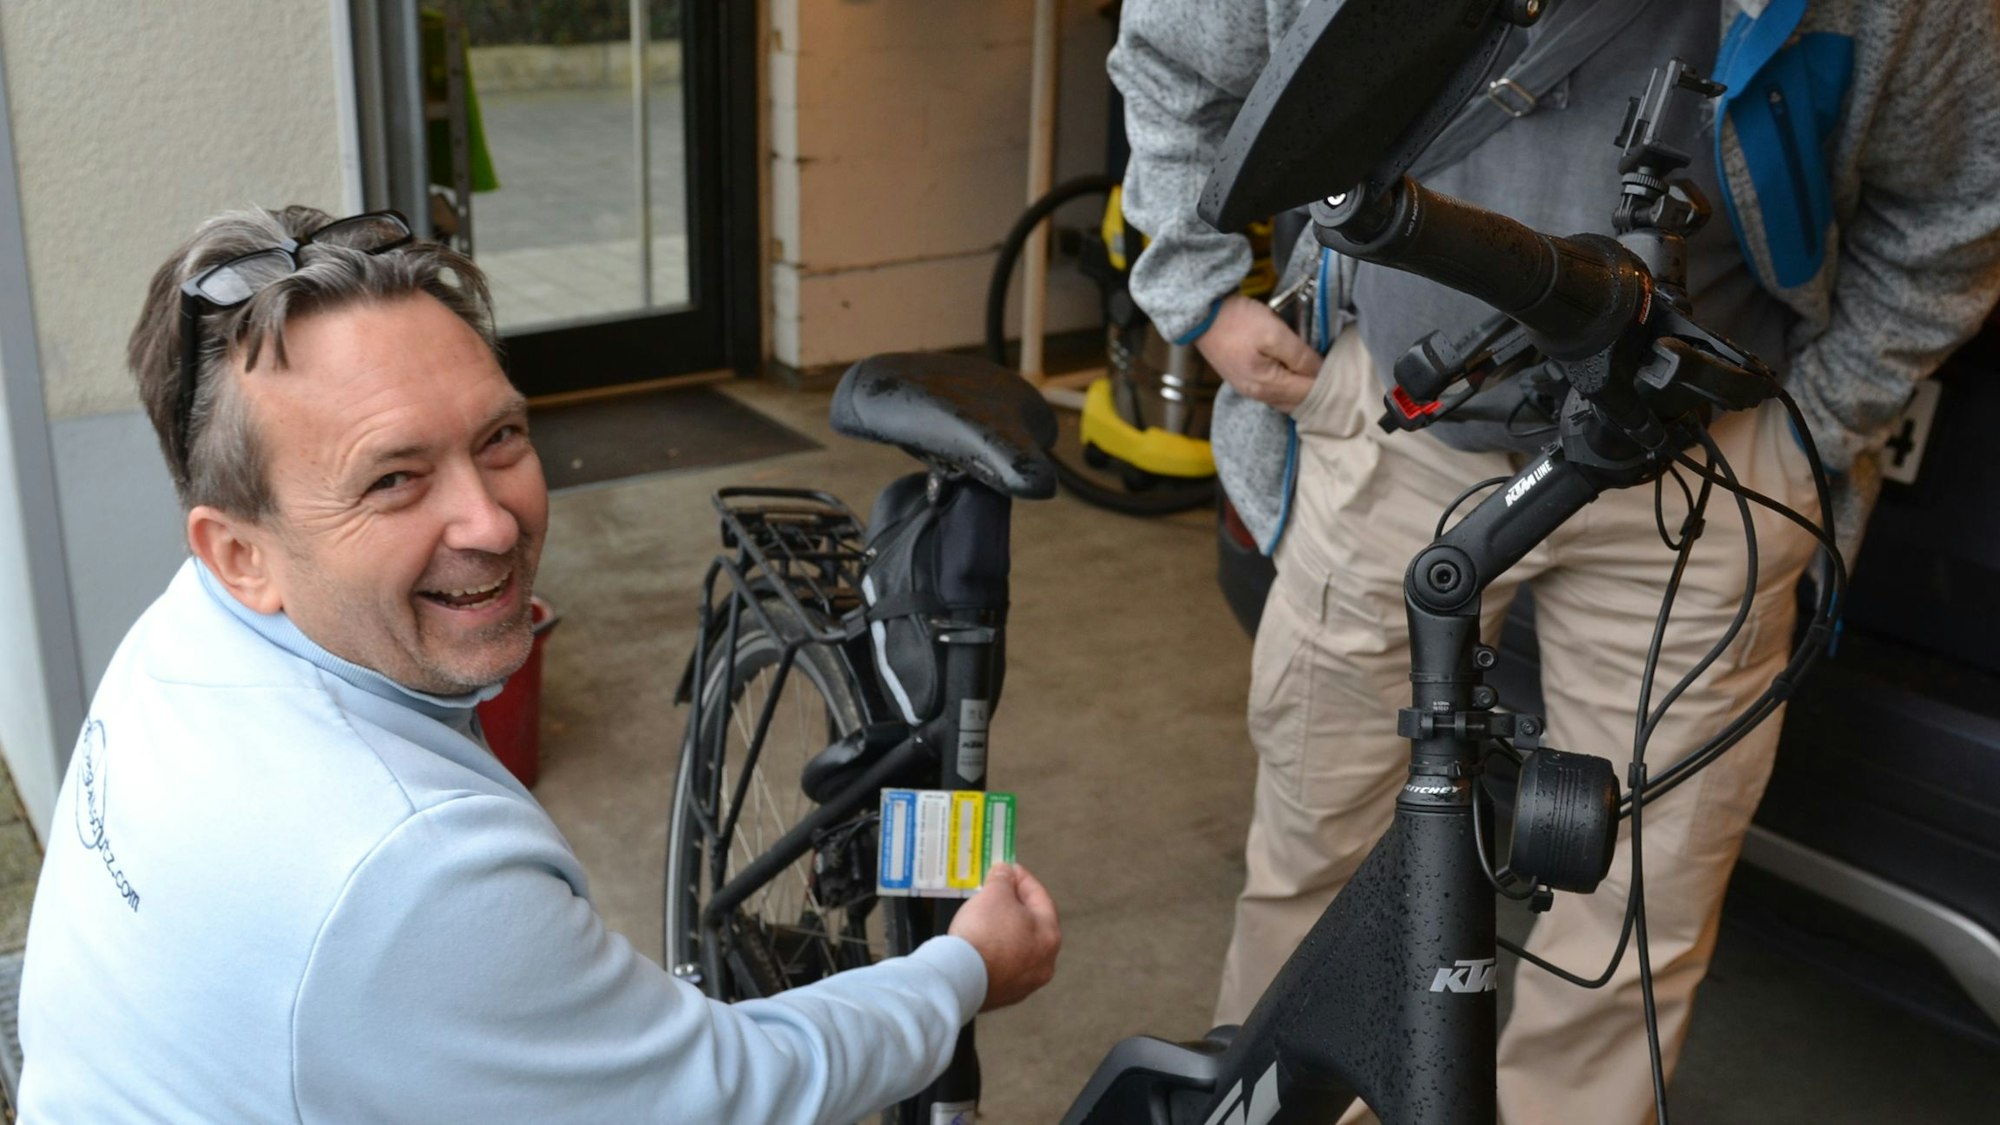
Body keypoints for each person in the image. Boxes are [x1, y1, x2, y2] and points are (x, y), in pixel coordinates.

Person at [1111, 0, 2000, 1121]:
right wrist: (1195, 297)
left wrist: (1809, 430)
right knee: (1316, 847)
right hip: (1397, 438)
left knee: (1640, 902)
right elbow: (1171, 59)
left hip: (1702, 473)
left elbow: (1959, 201)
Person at [16, 206, 1062, 1122]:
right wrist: (961, 971)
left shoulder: (182, 632)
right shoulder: (414, 869)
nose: (491, 519)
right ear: (240, 553)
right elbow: (725, 1090)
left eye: (501, 436)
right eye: (392, 479)